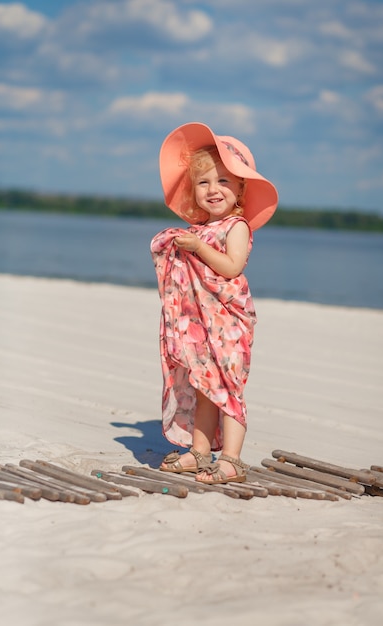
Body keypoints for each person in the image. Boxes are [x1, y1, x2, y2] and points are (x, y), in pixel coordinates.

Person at [150, 122, 278, 484]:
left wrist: (201, 249)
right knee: (206, 387)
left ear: (240, 188)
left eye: (223, 181)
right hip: (202, 325)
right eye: (204, 182)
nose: (213, 189)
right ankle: (200, 451)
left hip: (229, 325)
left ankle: (232, 460)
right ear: (193, 190)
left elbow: (231, 267)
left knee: (229, 389)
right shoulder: (198, 229)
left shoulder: (235, 227)